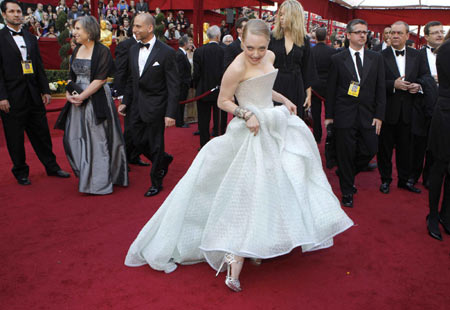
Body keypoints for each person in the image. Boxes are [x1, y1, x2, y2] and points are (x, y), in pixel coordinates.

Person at [124, 19, 353, 293]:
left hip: (274, 125)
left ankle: (261, 240)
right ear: (241, 41)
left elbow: (265, 87)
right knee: (247, 191)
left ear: (269, 44)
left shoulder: (271, 56)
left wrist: (285, 100)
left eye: (261, 48)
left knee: (281, 182)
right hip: (249, 131)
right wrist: (246, 114)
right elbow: (224, 100)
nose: (256, 54)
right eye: (249, 48)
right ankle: (235, 256)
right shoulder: (237, 66)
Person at [0, 0, 70, 185]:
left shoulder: (31, 38)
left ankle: (52, 166)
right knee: (15, 137)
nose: (16, 14)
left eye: (18, 11)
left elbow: (38, 65)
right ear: (4, 15)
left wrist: (45, 90)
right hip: (12, 97)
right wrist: (2, 97)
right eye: (12, 11)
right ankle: (21, 171)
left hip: (33, 94)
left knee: (42, 134)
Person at [58, 16, 128, 194]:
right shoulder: (76, 50)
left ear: (89, 31)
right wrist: (68, 94)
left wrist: (82, 96)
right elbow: (71, 77)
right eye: (74, 28)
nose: (74, 32)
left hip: (95, 98)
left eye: (78, 28)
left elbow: (100, 79)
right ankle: (86, 174)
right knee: (73, 138)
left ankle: (99, 182)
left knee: (97, 140)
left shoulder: (102, 51)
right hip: (77, 100)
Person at [326, 19, 386, 208]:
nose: (363, 35)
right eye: (359, 32)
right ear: (349, 35)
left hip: (368, 114)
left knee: (370, 148)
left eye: (365, 32)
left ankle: (347, 173)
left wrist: (379, 115)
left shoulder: (376, 58)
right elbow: (331, 89)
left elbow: (380, 88)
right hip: (344, 113)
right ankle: (347, 191)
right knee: (345, 153)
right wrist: (329, 116)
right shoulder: (337, 59)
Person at [118, 13, 178, 197]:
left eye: (137, 26)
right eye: (134, 26)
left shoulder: (166, 52)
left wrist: (171, 113)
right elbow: (131, 79)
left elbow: (173, 85)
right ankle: (163, 160)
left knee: (156, 144)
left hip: (156, 106)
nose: (133, 30)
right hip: (136, 105)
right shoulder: (133, 50)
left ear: (149, 28)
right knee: (134, 139)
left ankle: (156, 181)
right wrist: (125, 101)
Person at [378, 21, 431, 195]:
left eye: (399, 33)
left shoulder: (417, 55)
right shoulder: (379, 55)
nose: (395, 36)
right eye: (392, 33)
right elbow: (375, 83)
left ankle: (404, 180)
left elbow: (425, 77)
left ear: (407, 36)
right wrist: (393, 84)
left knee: (406, 149)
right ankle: (385, 180)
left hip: (409, 110)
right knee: (384, 149)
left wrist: (418, 86)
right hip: (387, 110)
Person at [269, 0, 316, 119]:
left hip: (296, 85)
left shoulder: (304, 39)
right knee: (274, 120)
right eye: (280, 14)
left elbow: (307, 67)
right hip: (275, 84)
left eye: (285, 14)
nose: (281, 18)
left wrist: (308, 94)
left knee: (294, 121)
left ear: (294, 17)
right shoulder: (272, 37)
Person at [410, 21, 443, 189]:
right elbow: (411, 77)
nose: (440, 35)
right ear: (426, 37)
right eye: (435, 32)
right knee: (419, 144)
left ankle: (429, 177)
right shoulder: (417, 55)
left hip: (443, 107)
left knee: (436, 146)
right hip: (421, 107)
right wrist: (425, 83)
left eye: (441, 31)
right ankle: (413, 176)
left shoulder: (448, 53)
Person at [114, 23, 149, 168]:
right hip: (130, 93)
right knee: (130, 129)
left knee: (142, 127)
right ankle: (123, 159)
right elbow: (121, 70)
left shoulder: (151, 45)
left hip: (146, 93)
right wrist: (120, 93)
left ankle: (134, 156)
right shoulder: (126, 45)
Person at [427, 31, 450, 241]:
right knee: (440, 166)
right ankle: (433, 215)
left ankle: (446, 214)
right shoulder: (445, 50)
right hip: (446, 116)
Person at [193, 25, 225, 148]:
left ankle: (204, 145)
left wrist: (197, 85)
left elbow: (196, 74)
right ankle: (218, 145)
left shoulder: (199, 51)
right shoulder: (223, 51)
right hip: (220, 91)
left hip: (202, 90)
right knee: (219, 120)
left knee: (203, 120)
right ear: (218, 36)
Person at [310, 27, 337, 143]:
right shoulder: (332, 52)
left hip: (314, 87)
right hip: (328, 87)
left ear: (315, 37)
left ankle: (317, 136)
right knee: (329, 113)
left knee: (316, 114)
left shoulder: (311, 51)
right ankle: (330, 136)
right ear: (327, 37)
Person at [175, 35, 192, 128]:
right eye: (189, 42)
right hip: (181, 84)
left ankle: (180, 120)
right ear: (185, 44)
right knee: (180, 103)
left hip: (183, 83)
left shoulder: (181, 54)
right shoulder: (180, 55)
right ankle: (179, 121)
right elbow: (180, 72)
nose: (190, 44)